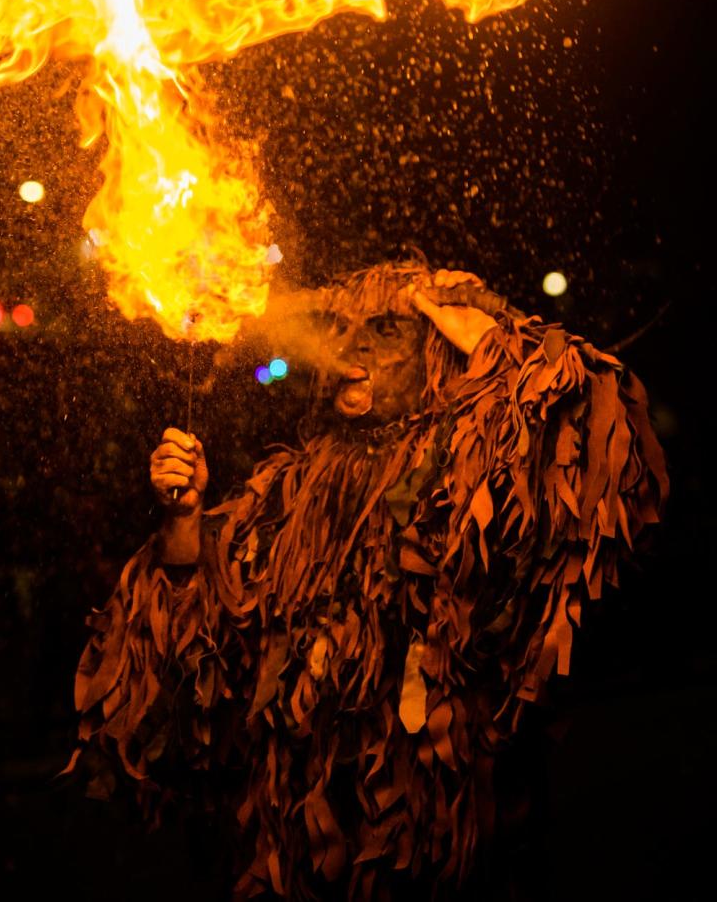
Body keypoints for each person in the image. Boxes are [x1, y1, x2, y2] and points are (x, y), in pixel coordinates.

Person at [66, 260, 668, 900]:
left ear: (439, 349)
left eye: (384, 330)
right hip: (305, 838)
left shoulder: (472, 458)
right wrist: (184, 521)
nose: (349, 348)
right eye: (341, 329)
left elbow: (595, 460)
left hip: (437, 828)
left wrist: (498, 344)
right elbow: (211, 638)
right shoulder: (293, 487)